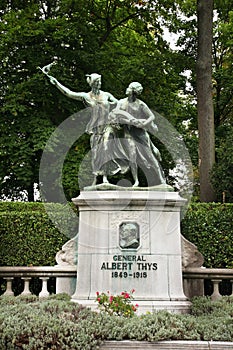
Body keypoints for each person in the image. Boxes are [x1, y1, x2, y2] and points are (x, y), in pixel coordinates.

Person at [42, 64, 119, 185]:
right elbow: (68, 93)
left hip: (108, 126)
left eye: (100, 81)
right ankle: (96, 178)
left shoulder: (106, 95)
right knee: (95, 153)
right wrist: (56, 83)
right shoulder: (86, 96)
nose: (99, 84)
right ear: (92, 83)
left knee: (105, 148)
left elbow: (118, 104)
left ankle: (105, 178)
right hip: (95, 128)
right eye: (97, 82)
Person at [109, 82, 166, 187]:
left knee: (150, 156)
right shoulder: (121, 102)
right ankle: (136, 181)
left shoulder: (140, 104)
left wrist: (144, 123)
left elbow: (151, 116)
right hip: (128, 132)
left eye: (129, 88)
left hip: (140, 133)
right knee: (132, 156)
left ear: (133, 92)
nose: (127, 89)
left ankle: (162, 179)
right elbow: (115, 113)